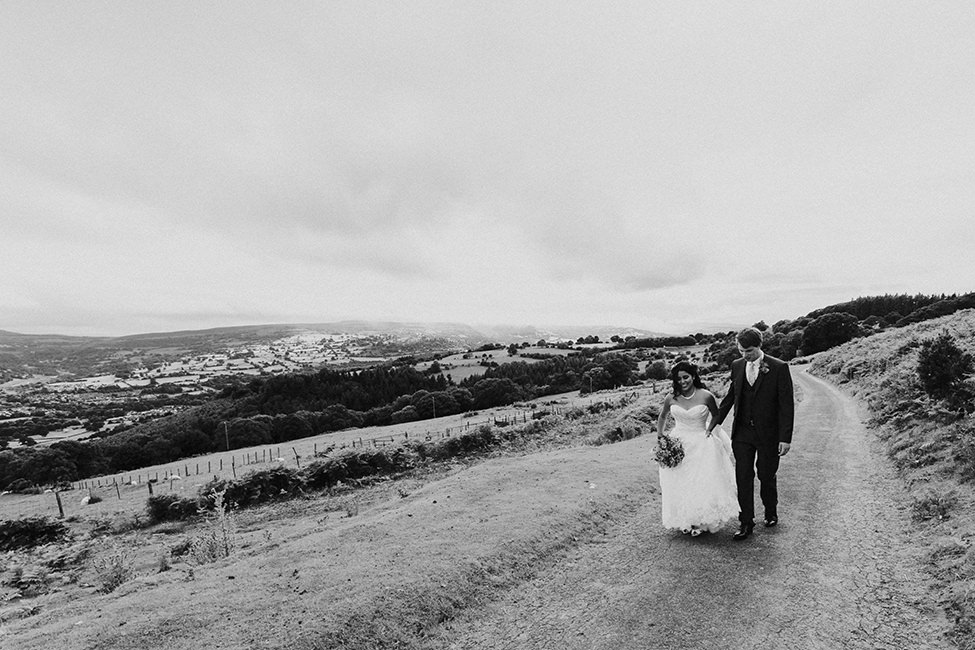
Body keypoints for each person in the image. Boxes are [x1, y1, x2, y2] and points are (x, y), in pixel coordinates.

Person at [709, 327, 795, 541]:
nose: (744, 355)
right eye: (741, 351)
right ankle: (746, 522)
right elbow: (731, 397)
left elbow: (786, 406)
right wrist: (713, 423)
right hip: (742, 433)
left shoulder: (779, 367)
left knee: (766, 475)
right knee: (743, 477)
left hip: (769, 434)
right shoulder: (737, 366)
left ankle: (770, 511)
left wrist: (785, 438)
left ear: (759, 346)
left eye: (748, 351)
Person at [656, 360, 738, 536]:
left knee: (700, 481)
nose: (683, 381)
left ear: (693, 376)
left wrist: (709, 429)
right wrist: (661, 436)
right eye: (679, 379)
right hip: (679, 442)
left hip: (701, 442)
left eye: (686, 377)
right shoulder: (671, 398)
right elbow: (662, 417)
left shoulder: (706, 395)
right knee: (681, 481)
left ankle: (700, 521)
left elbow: (717, 415)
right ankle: (686, 520)